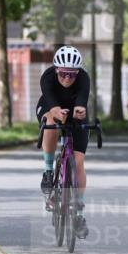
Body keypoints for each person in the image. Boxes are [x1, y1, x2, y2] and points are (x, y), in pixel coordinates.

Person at [37, 45, 91, 238]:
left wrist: (79, 111)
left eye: (72, 74)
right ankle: (49, 170)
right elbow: (52, 106)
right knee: (51, 121)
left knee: (78, 162)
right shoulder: (48, 77)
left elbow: (81, 101)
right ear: (56, 70)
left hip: (74, 108)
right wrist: (56, 112)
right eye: (63, 74)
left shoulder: (83, 78)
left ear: (78, 73)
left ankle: (78, 214)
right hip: (50, 106)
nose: (67, 78)